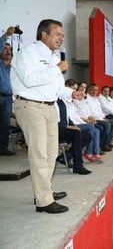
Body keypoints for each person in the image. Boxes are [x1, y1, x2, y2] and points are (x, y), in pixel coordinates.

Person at [11, 19, 82, 213]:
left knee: (52, 153)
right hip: (30, 106)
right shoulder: (28, 53)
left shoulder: (53, 57)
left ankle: (45, 191)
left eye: (62, 35)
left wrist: (71, 94)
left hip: (50, 108)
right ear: (44, 34)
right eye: (58, 34)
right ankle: (43, 200)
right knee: (40, 154)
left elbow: (57, 87)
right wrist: (57, 68)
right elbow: (30, 80)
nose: (61, 38)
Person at [0, 26, 16, 155]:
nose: (8, 51)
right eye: (5, 49)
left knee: (4, 125)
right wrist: (6, 35)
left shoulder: (14, 67)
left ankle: (3, 148)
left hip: (8, 98)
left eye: (10, 49)